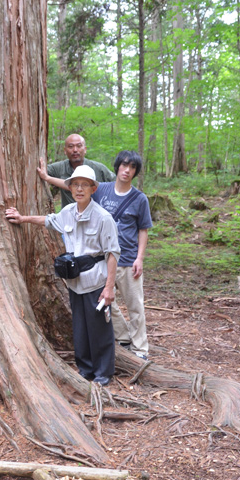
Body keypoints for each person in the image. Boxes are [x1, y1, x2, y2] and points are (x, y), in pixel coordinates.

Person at [6, 165, 120, 385]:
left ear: (93, 189)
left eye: (84, 185)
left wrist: (109, 287)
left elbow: (113, 253)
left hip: (96, 280)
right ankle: (85, 369)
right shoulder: (68, 212)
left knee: (99, 328)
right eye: (75, 184)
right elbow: (48, 220)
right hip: (74, 281)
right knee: (80, 328)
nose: (79, 189)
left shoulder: (103, 218)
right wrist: (22, 218)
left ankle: (103, 373)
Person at [92, 150, 153, 360]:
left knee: (135, 306)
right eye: (124, 165)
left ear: (135, 172)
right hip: (103, 259)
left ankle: (140, 350)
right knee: (106, 301)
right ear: (117, 166)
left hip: (128, 260)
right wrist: (46, 178)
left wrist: (140, 258)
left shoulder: (139, 199)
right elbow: (75, 186)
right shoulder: (102, 190)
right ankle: (124, 337)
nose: (127, 170)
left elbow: (143, 229)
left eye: (132, 167)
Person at [37, 133, 115, 208]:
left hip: (94, 217)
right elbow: (39, 170)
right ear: (65, 150)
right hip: (68, 218)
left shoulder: (99, 168)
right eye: (70, 146)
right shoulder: (60, 167)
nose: (75, 150)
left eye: (79, 146)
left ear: (85, 149)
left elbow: (117, 184)